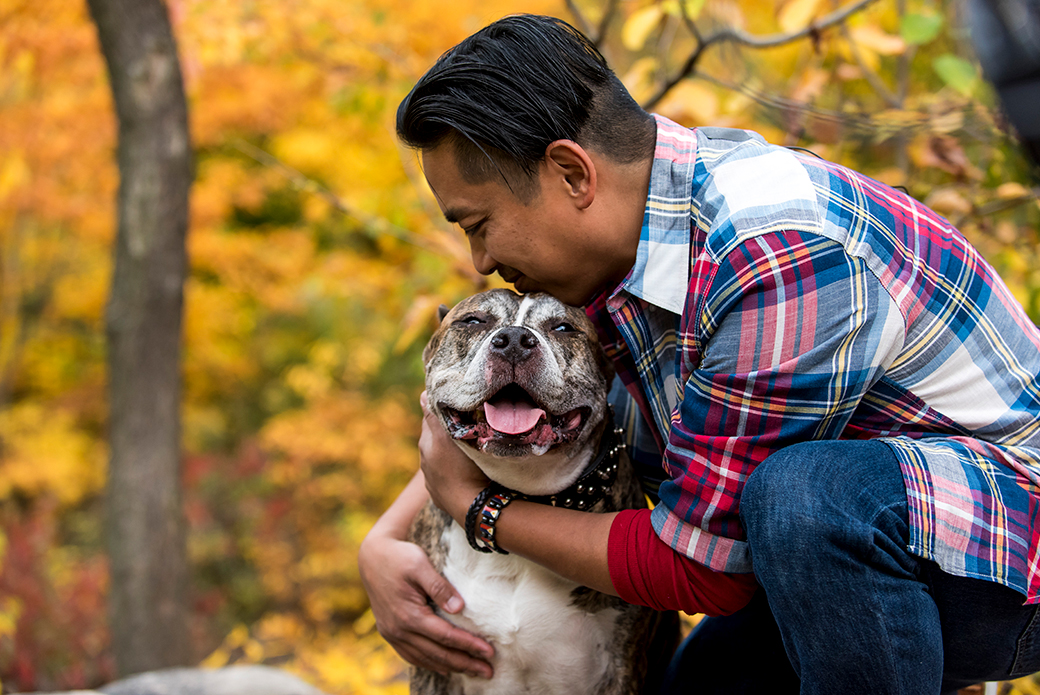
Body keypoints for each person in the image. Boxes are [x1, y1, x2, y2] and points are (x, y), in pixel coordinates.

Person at [358, 13, 1040, 694]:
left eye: (480, 225)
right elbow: (524, 402)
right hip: (849, 562)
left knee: (805, 492)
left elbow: (701, 569)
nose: (481, 261)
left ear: (571, 173)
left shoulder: (771, 252)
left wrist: (483, 514)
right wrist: (385, 541)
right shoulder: (631, 248)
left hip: (1010, 556)